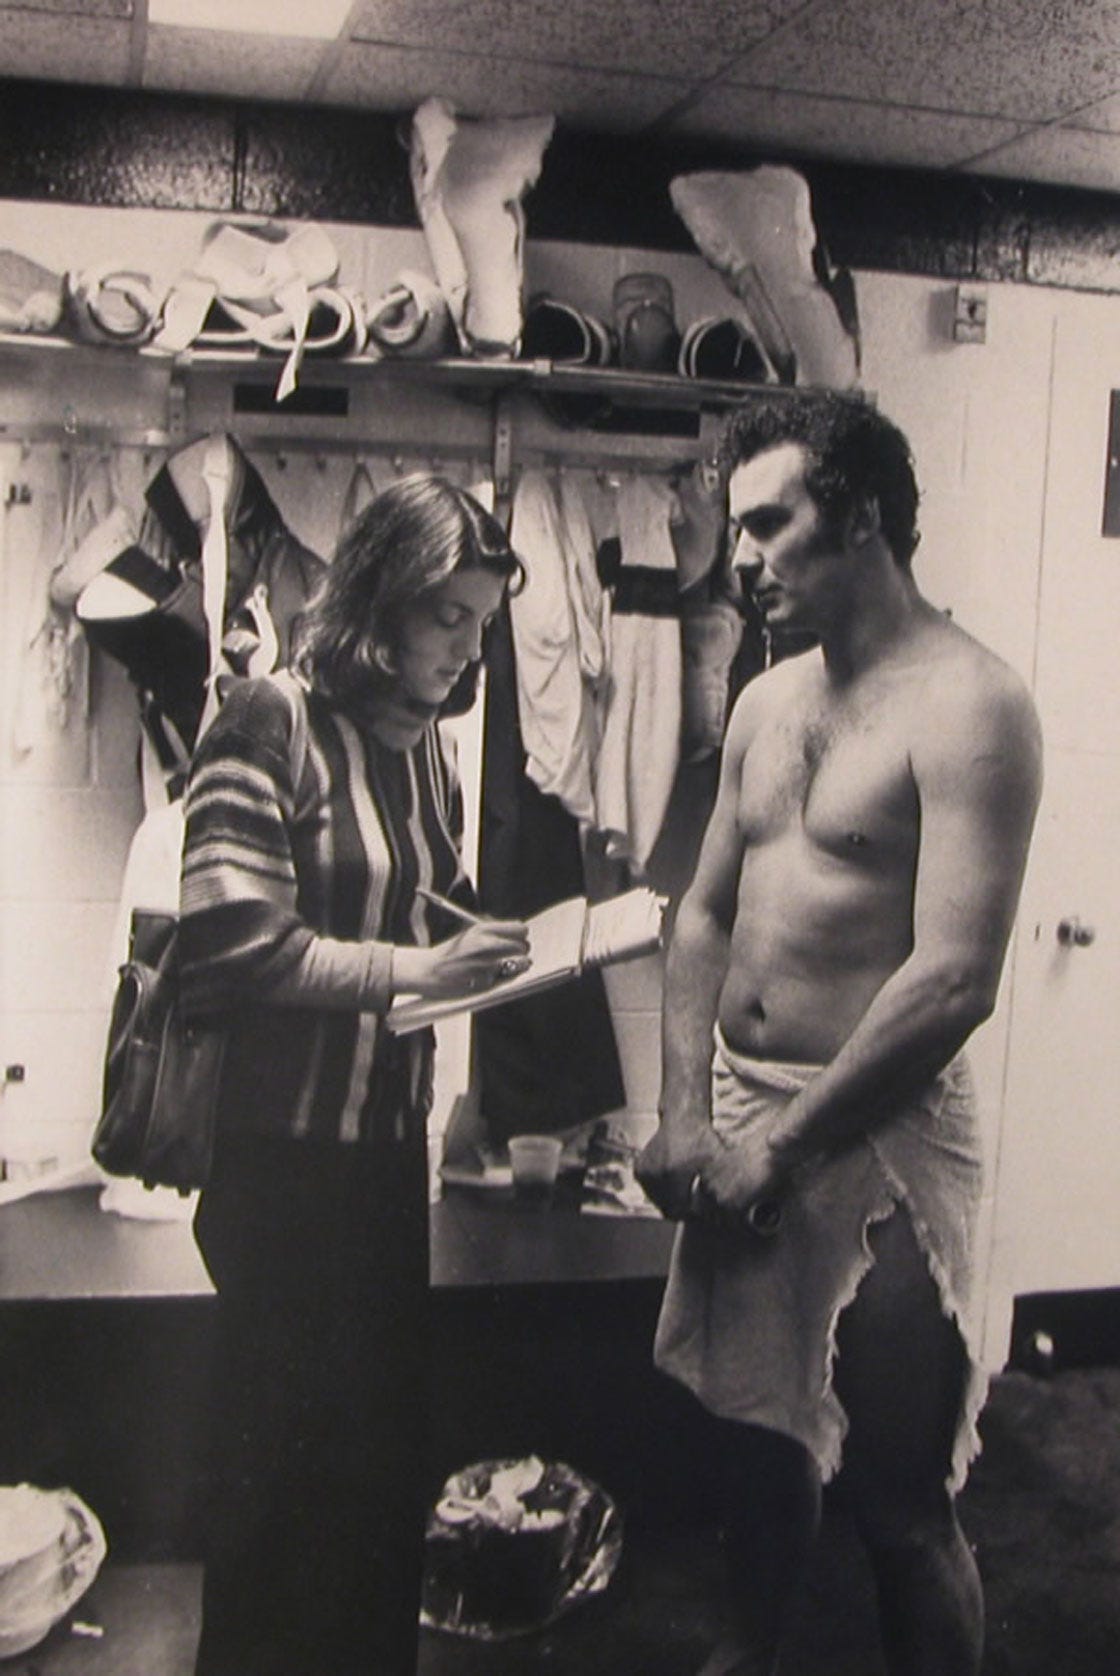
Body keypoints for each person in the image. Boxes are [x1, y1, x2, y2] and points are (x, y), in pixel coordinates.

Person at [637, 390, 1043, 1676]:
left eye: (767, 524)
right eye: (736, 529)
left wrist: (785, 1147)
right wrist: (682, 1111)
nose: (741, 558)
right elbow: (702, 911)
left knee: (898, 1501)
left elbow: (954, 977)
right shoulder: (766, 699)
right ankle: (747, 1652)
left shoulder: (972, 702)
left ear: (860, 515)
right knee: (759, 1455)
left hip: (879, 1133)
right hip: (742, 1112)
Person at [179, 474, 531, 1676]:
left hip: (383, 1158)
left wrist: (513, 949)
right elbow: (234, 940)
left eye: (482, 622)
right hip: (277, 1164)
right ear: (381, 597)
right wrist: (419, 965)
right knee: (275, 1483)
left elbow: (421, 908)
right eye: (448, 616)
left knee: (379, 1479)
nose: (467, 647)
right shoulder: (263, 719)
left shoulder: (422, 747)